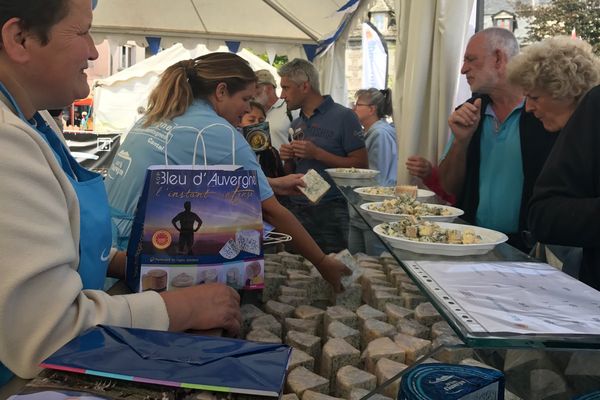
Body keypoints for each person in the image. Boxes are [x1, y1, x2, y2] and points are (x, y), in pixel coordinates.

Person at [0, 0, 241, 384]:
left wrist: (118, 261)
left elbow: (41, 240)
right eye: (81, 32)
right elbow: (49, 334)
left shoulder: (36, 119)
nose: (94, 50)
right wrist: (181, 309)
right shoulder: (6, 142)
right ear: (20, 39)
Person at [105, 53, 350, 292]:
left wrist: (271, 184)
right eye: (245, 99)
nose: (246, 110)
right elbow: (273, 212)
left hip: (106, 249)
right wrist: (321, 262)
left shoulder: (157, 114)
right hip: (137, 259)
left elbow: (194, 177)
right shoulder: (217, 130)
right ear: (221, 91)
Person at [437, 27, 557, 252]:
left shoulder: (545, 114)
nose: (463, 69)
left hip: (530, 251)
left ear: (499, 59)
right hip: (472, 242)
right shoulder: (468, 113)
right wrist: (460, 142)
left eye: (471, 60)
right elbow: (447, 188)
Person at [509, 37, 600, 289]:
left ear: (567, 89)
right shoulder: (550, 132)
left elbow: (544, 214)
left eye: (534, 97)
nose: (528, 108)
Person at [278, 58, 368, 253]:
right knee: (297, 272)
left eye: (286, 88)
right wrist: (287, 158)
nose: (282, 95)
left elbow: (361, 166)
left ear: (304, 86)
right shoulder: (295, 125)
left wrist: (318, 153)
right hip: (298, 208)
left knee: (335, 269)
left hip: (332, 209)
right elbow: (293, 171)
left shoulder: (345, 117)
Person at [352, 88, 397, 186]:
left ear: (372, 109)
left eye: (358, 105)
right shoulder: (371, 132)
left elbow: (379, 176)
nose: (353, 109)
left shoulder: (380, 134)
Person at [254, 69, 297, 151]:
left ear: (269, 88)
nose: (252, 92)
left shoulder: (290, 109)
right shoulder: (252, 112)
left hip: (286, 163)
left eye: (256, 87)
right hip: (258, 163)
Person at [240, 101, 285, 179]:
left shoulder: (272, 152)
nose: (257, 123)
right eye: (251, 120)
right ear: (239, 122)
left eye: (261, 121)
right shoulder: (234, 151)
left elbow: (281, 178)